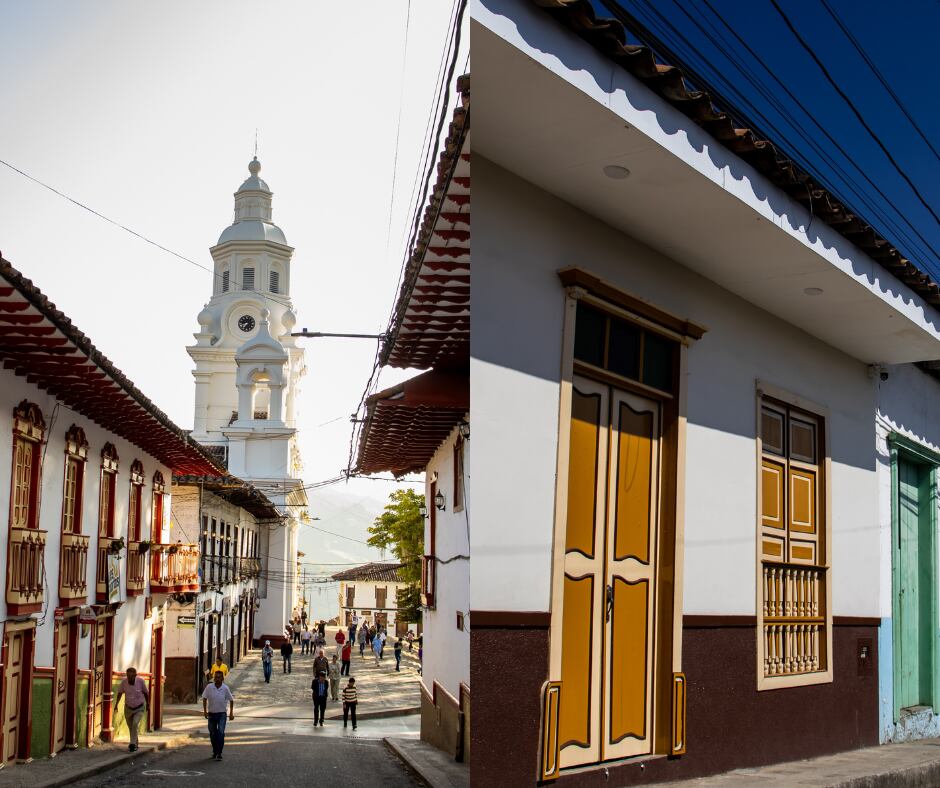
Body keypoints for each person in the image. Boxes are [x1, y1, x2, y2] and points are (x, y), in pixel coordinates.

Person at [201, 670, 235, 761]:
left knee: (220, 732)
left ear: (223, 678)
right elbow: (204, 698)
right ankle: (215, 750)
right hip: (211, 714)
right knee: (212, 733)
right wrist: (205, 711)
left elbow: (231, 700)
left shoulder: (225, 688)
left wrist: (231, 713)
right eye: (216, 677)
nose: (217, 679)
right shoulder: (209, 687)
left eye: (219, 677)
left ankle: (219, 752)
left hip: (222, 714)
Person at [114, 666, 149, 752]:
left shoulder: (141, 681)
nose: (129, 678)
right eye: (128, 676)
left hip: (139, 707)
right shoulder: (124, 682)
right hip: (128, 708)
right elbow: (120, 693)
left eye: (131, 676)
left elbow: (145, 693)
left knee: (135, 723)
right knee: (131, 727)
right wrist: (116, 705)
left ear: (135, 675)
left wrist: (148, 704)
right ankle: (135, 743)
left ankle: (132, 744)